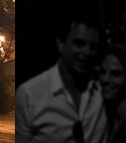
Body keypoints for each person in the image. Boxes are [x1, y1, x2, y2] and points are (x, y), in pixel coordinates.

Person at [15, 9, 108, 143]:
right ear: (61, 44)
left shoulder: (104, 91)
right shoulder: (29, 94)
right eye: (79, 43)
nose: (87, 52)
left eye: (93, 46)